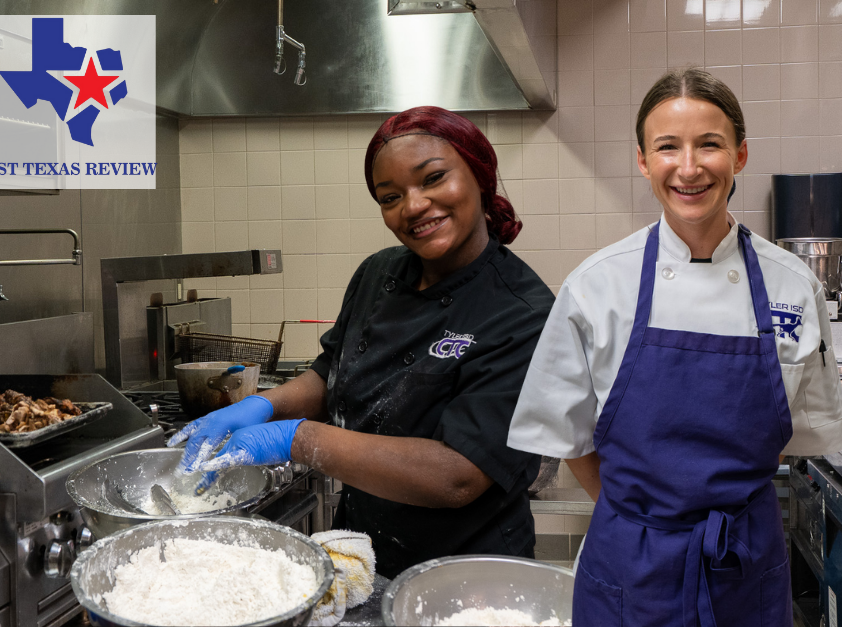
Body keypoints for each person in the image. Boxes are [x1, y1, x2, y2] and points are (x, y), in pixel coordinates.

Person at [507, 67, 842, 626]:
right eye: (668, 147)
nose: (688, 168)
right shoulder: (596, 286)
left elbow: (798, 435)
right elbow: (567, 437)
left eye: (709, 145)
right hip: (630, 570)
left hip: (747, 563)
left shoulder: (794, 285)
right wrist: (644, 521)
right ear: (643, 160)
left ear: (739, 155)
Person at [168, 106, 555, 579]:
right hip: (363, 555)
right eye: (390, 196)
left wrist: (296, 438)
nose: (412, 206)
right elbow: (329, 372)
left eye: (432, 178)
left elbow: (458, 475)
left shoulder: (522, 312)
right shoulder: (379, 272)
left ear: (479, 174)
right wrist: (264, 406)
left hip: (470, 575)